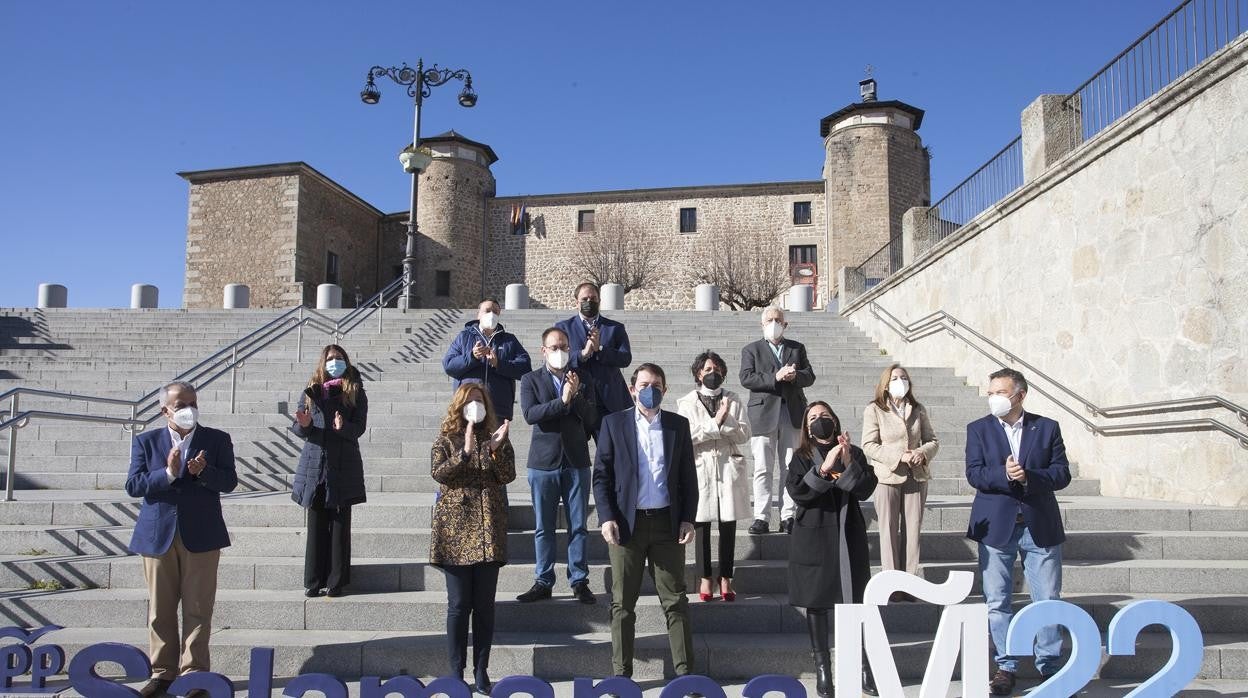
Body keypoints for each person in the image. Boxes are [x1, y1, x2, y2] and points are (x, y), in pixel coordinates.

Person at [124, 381, 237, 698]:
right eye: (181, 404)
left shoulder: (216, 439)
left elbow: (229, 481)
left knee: (198, 608)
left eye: (193, 402)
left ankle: (195, 674)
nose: (189, 409)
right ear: (164, 410)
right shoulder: (146, 442)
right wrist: (169, 473)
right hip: (158, 534)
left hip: (201, 534)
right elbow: (133, 485)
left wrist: (204, 472)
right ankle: (162, 673)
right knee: (160, 609)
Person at [966, 368, 1071, 696]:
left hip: (1038, 524)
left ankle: (1049, 663)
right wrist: (1005, 475)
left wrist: (1028, 477)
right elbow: (975, 474)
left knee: (1048, 598)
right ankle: (1006, 665)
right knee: (997, 599)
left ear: (1020, 395)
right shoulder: (978, 429)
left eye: (1001, 392)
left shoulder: (1047, 428)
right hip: (996, 526)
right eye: (991, 392)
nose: (994, 397)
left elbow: (1061, 473)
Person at [592, 363, 699, 678]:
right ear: (631, 388)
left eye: (655, 385)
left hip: (667, 525)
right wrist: (607, 516)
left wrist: (688, 519)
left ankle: (684, 674)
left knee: (676, 601)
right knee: (623, 604)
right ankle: (622, 675)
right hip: (628, 527)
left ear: (664, 390)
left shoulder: (678, 426)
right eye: (643, 384)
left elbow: (687, 478)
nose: (648, 389)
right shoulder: (614, 424)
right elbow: (601, 477)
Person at [785, 401, 878, 698]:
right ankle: (823, 668)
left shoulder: (856, 453)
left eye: (824, 415)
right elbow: (799, 492)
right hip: (813, 533)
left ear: (835, 420)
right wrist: (824, 469)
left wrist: (849, 461)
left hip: (847, 532)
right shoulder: (801, 456)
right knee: (817, 599)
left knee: (856, 599)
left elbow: (866, 488)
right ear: (806, 427)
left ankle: (863, 666)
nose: (819, 421)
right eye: (813, 417)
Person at [429, 383, 515, 695]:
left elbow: (507, 475)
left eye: (480, 401)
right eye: (470, 402)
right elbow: (439, 472)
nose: (476, 407)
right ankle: (456, 670)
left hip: (487, 531)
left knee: (484, 606)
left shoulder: (496, 437)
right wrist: (464, 452)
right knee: (458, 604)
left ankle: (481, 670)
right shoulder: (446, 437)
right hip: (455, 532)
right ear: (460, 405)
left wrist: (494, 449)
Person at [515, 327, 601, 604]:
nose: (560, 351)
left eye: (564, 346)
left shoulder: (583, 378)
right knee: (544, 526)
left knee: (578, 526)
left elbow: (591, 418)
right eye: (554, 347)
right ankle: (543, 579)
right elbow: (531, 414)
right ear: (544, 351)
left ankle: (579, 580)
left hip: (576, 461)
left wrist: (574, 397)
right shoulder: (530, 380)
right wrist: (561, 401)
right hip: (543, 463)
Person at [290, 344, 368, 598]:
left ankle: (336, 581)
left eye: (339, 358)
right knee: (316, 524)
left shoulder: (355, 390)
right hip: (316, 465)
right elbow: (301, 427)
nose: (335, 362)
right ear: (323, 363)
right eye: (331, 359)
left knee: (339, 525)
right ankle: (313, 580)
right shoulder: (311, 391)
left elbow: (359, 428)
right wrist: (304, 425)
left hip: (343, 464)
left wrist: (342, 427)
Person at [674, 350, 751, 602]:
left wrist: (725, 419)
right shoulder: (686, 402)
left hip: (728, 465)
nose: (713, 373)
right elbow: (688, 437)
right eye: (708, 369)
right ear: (698, 373)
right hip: (700, 465)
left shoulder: (733, 399)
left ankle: (726, 576)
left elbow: (743, 434)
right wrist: (714, 424)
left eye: (717, 369)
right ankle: (705, 576)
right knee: (702, 524)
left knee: (728, 523)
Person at [861, 363, 939, 601]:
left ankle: (910, 584)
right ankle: (891, 585)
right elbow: (869, 445)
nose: (900, 381)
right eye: (895, 377)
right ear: (886, 383)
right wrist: (898, 456)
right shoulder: (874, 409)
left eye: (904, 377)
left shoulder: (918, 409)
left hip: (916, 475)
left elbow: (933, 439)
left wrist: (922, 453)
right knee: (888, 531)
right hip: (887, 476)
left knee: (912, 531)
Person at [740, 306, 815, 535]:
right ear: (762, 324)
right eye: (770, 320)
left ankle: (788, 515)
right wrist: (775, 377)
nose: (774, 323)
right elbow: (746, 377)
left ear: (785, 324)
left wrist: (795, 376)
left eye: (778, 319)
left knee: (790, 466)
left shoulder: (796, 348)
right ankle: (761, 516)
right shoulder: (751, 349)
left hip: (792, 412)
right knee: (763, 467)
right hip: (763, 413)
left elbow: (809, 375)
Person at [442, 298, 532, 421]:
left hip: (498, 409)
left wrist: (498, 364)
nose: (492, 314)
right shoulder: (464, 337)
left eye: (495, 311)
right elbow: (449, 365)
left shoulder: (509, 340)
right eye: (487, 310)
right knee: (467, 440)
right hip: (467, 405)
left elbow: (525, 368)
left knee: (497, 441)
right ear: (478, 314)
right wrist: (472, 356)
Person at [556, 282, 633, 417]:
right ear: (577, 303)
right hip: (577, 398)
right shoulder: (563, 328)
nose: (589, 302)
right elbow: (557, 358)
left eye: (593, 299)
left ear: (599, 301)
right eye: (585, 299)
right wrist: (582, 354)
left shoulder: (615, 328)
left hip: (608, 401)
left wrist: (600, 349)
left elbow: (625, 358)